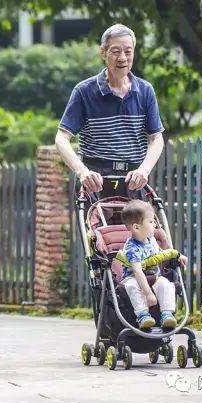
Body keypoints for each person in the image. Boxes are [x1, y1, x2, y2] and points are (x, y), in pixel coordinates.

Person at [54, 23, 165, 193]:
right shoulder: (84, 91)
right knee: (100, 219)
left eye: (128, 51)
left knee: (141, 219)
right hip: (95, 179)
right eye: (115, 51)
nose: (122, 58)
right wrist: (83, 172)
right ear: (103, 52)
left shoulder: (145, 90)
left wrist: (144, 170)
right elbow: (61, 138)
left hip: (133, 179)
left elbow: (156, 138)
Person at [119, 200, 187, 329]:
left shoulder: (151, 240)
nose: (155, 224)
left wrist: (178, 255)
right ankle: (143, 315)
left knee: (166, 284)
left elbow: (161, 254)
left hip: (153, 277)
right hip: (134, 278)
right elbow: (138, 272)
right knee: (132, 287)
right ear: (137, 227)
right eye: (150, 221)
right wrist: (148, 293)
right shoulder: (132, 248)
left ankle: (167, 314)